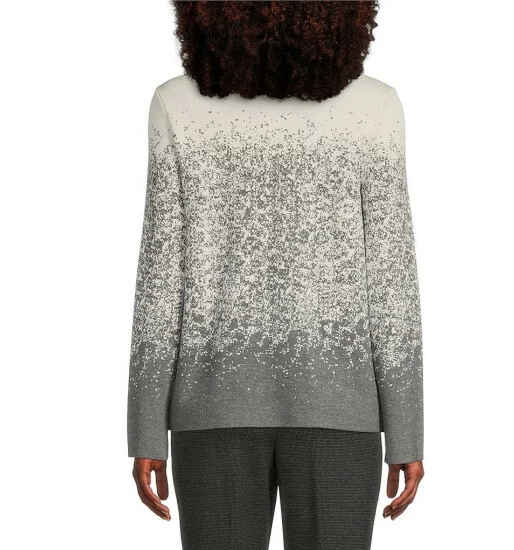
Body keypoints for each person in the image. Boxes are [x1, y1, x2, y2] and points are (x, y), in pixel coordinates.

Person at [127, 1, 425, 548]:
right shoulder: (375, 108)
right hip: (340, 406)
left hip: (210, 406)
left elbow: (161, 280)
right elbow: (391, 284)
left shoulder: (176, 105)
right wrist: (406, 432)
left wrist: (146, 428)